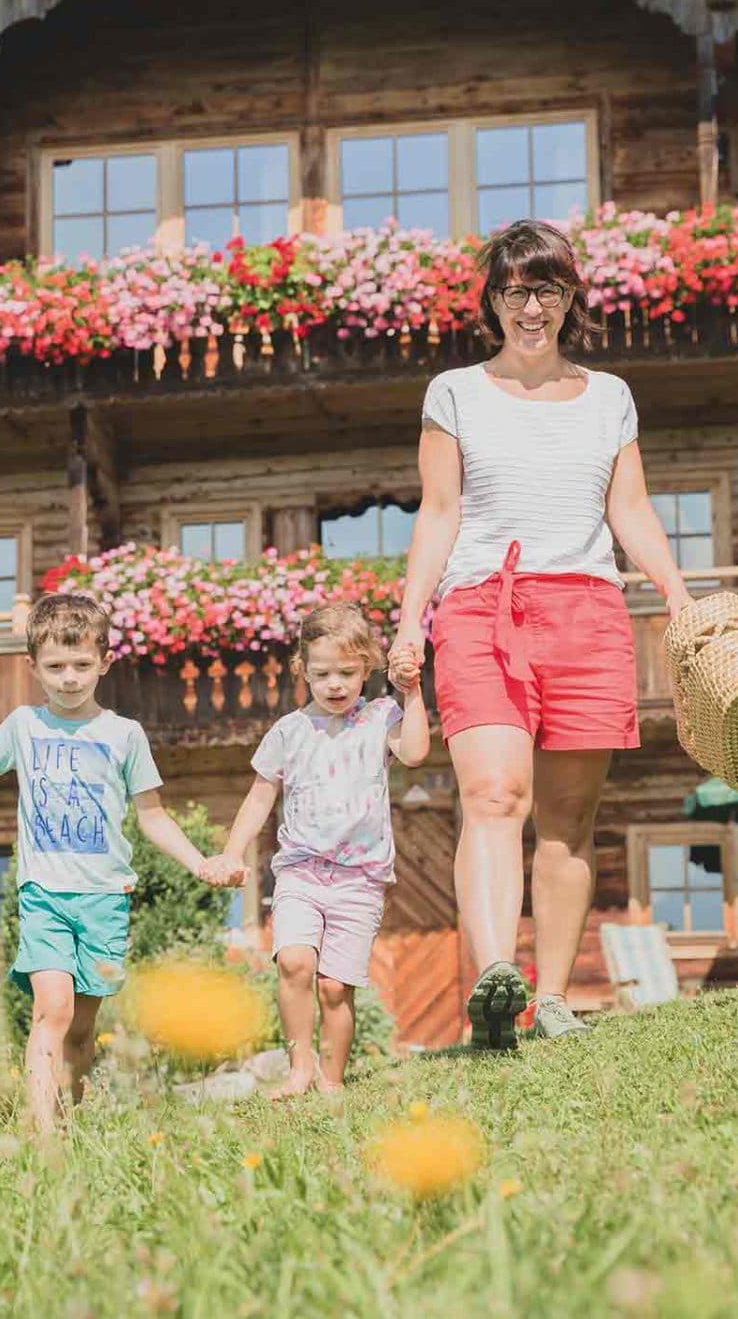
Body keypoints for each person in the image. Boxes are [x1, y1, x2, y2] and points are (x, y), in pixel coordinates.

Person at [388, 220, 692, 1048]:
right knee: (492, 795)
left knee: (568, 816)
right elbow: (440, 512)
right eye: (517, 290)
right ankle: (496, 980)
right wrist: (411, 620)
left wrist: (677, 591)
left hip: (589, 609)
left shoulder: (609, 397)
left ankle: (551, 997)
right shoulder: (454, 392)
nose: (532, 306)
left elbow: (627, 508)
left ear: (570, 300)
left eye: (548, 289)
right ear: (492, 301)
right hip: (482, 605)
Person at [0, 591, 221, 1132]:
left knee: (81, 1028)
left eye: (80, 665)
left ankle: (71, 1119)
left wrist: (199, 862)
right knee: (55, 1009)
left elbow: (154, 817)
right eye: (54, 667)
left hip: (105, 898)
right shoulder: (24, 726)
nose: (68, 678)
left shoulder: (124, 735)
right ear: (33, 667)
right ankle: (41, 1130)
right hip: (44, 894)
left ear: (104, 663)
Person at [211, 603, 429, 1097]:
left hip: (360, 878)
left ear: (367, 668)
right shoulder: (289, 731)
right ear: (302, 670)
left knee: (334, 987)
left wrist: (411, 690)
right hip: (300, 872)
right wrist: (232, 852)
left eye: (347, 673)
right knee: (292, 962)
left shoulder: (380, 717)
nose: (335, 684)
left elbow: (415, 753)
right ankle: (300, 1069)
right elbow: (260, 796)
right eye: (323, 673)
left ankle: (332, 1080)